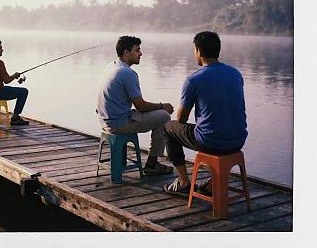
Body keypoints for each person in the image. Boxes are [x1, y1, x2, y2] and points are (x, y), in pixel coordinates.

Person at [163, 31, 248, 196]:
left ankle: (183, 182)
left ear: (199, 51)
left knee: (168, 128)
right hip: (238, 140)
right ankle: (211, 184)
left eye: (194, 50)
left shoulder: (193, 80)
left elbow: (181, 118)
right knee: (214, 127)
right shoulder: (236, 74)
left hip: (211, 142)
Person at [97, 35, 174, 175]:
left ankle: (149, 162)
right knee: (164, 117)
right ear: (126, 53)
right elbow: (141, 106)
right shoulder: (127, 73)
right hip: (118, 123)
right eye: (137, 50)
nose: (141, 54)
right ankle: (152, 164)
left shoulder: (111, 66)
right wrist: (163, 106)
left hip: (105, 121)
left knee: (155, 113)